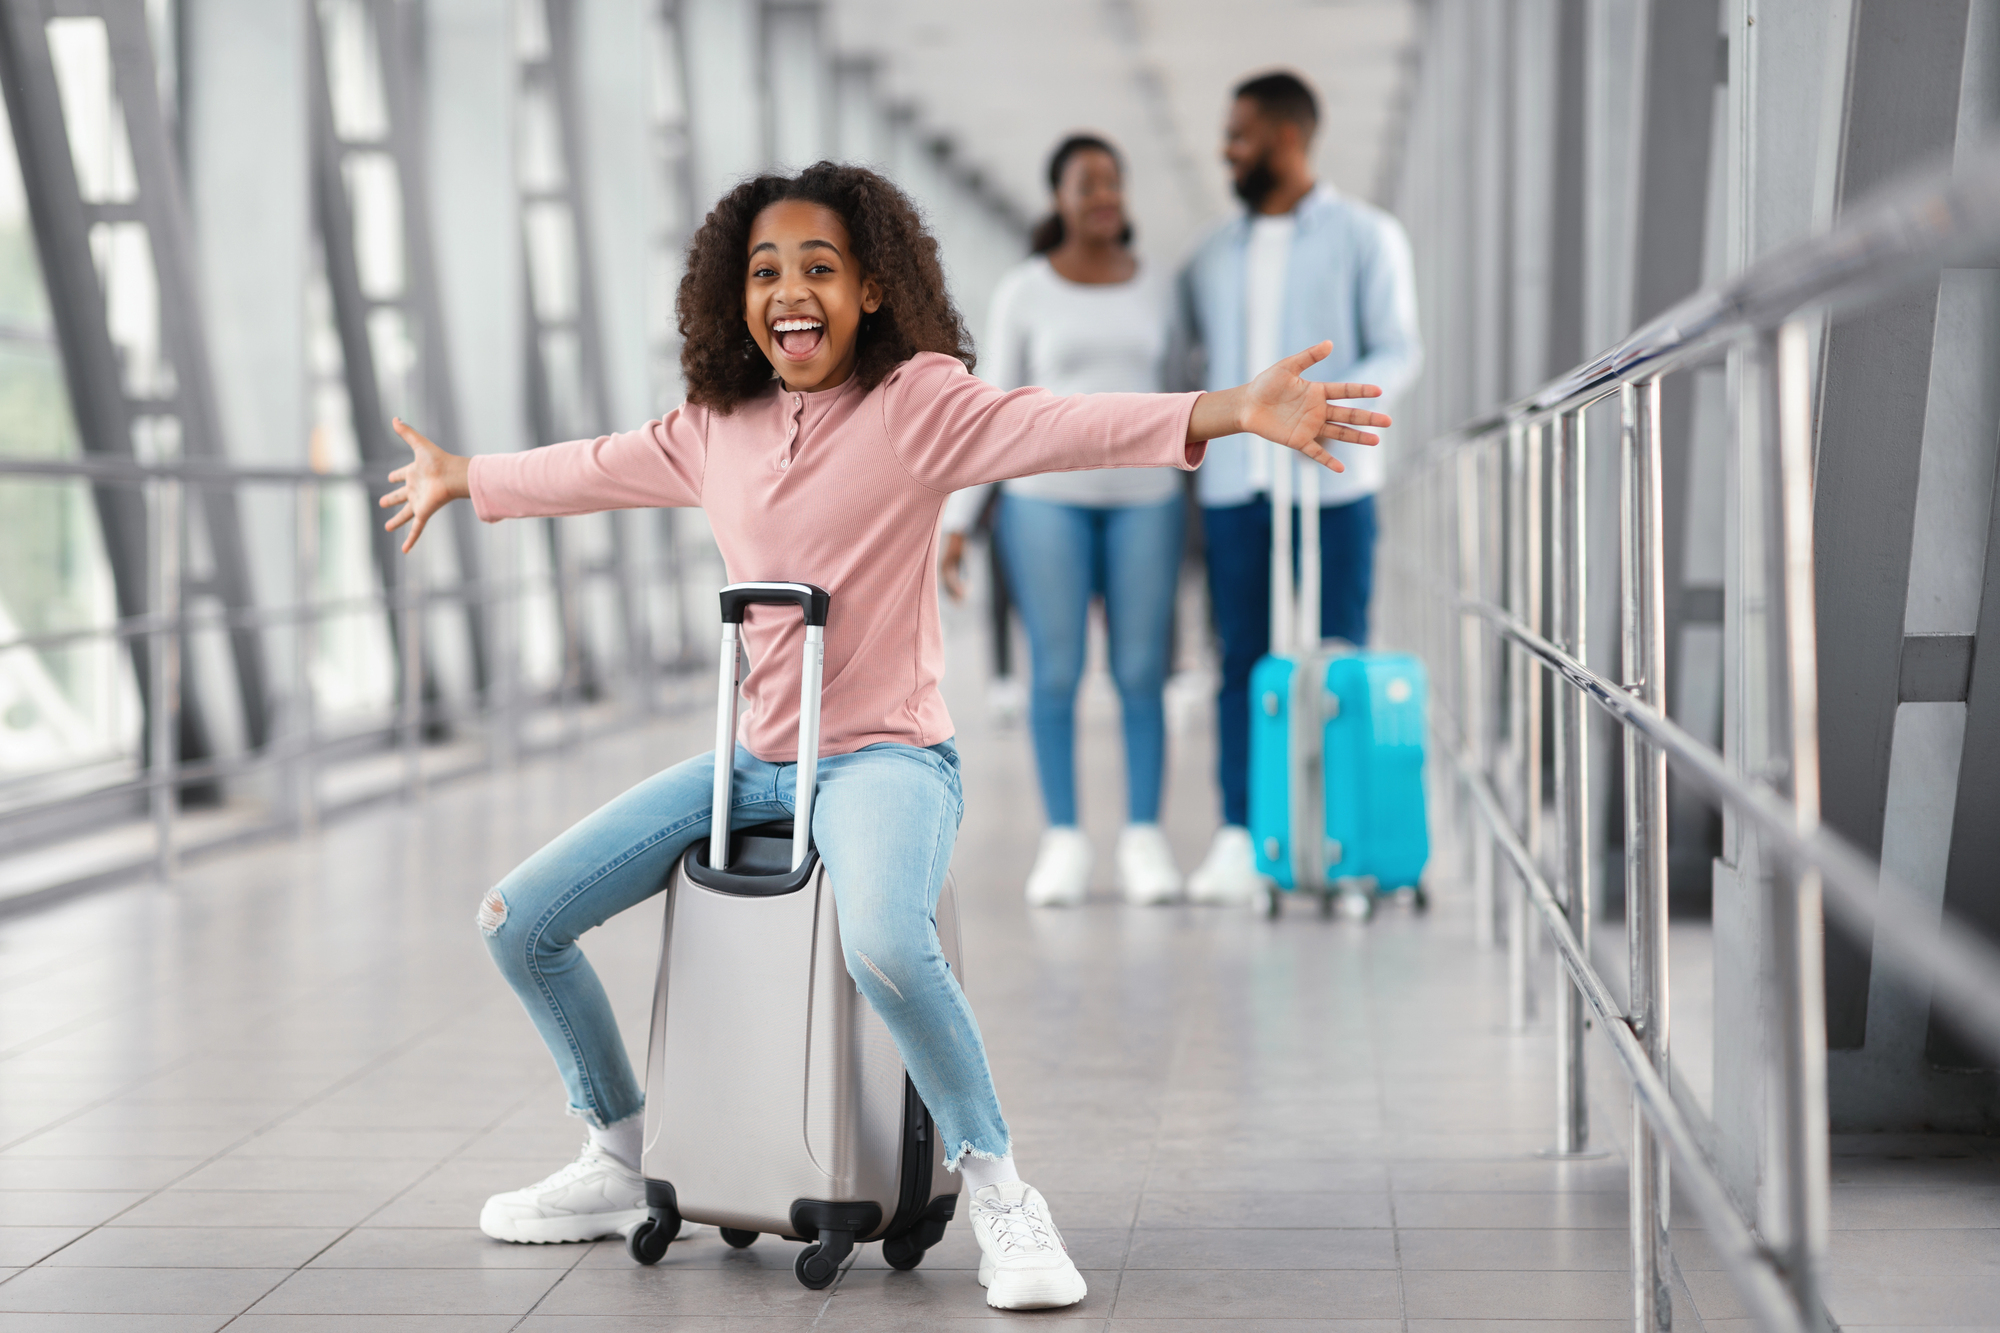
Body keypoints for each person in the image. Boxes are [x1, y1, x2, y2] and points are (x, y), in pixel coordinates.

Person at [377, 162, 1387, 1312]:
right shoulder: (717, 426)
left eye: (819, 267)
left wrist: (1227, 411)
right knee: (518, 921)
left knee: (888, 946)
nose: (789, 291)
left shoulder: (917, 403)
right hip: (754, 759)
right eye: (765, 271)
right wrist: (469, 479)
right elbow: (594, 466)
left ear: (869, 290)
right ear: (732, 296)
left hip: (881, 756)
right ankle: (618, 1153)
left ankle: (999, 1186)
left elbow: (1058, 425)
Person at [1176, 71, 1423, 904]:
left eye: (1239, 134)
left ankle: (1340, 828)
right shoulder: (1209, 255)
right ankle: (1244, 833)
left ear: (1287, 137)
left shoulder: (1366, 235)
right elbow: (1191, 366)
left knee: (1337, 648)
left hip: (1334, 483)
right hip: (1236, 486)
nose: (1226, 149)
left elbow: (1398, 349)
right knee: (1240, 658)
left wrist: (1333, 407)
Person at [939, 134, 1184, 909]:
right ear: (1059, 199)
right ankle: (1065, 841)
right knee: (1055, 670)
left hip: (1147, 501)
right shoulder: (1025, 291)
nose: (1105, 196)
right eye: (1088, 184)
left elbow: (1183, 396)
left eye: (1114, 182)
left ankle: (1144, 839)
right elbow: (992, 410)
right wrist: (958, 518)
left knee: (1143, 671)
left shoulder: (1159, 289)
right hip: (1045, 502)